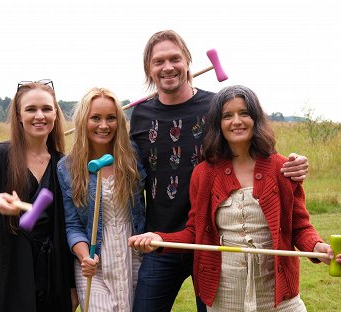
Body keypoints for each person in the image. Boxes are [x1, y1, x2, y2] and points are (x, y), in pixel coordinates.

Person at [129, 30, 310, 312]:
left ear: (187, 61)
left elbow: (251, 147)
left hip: (214, 237)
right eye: (158, 61)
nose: (168, 67)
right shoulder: (140, 115)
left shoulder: (217, 106)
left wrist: (292, 164)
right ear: (149, 70)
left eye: (175, 58)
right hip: (162, 237)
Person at [129, 85, 341, 311]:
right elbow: (196, 232)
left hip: (279, 298)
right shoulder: (204, 174)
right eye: (227, 115)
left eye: (244, 113)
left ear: (256, 119)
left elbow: (300, 227)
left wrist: (318, 247)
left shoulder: (282, 168)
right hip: (225, 298)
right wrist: (158, 239)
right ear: (217, 123)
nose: (237, 121)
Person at [0, 80, 78, 312]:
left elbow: (67, 226)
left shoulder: (62, 164)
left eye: (46, 109)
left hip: (52, 281)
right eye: (31, 109)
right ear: (19, 116)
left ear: (55, 115)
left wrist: (71, 286)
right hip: (9, 277)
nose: (39, 115)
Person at [57, 87, 146, 311]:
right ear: (83, 120)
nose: (104, 125)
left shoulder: (132, 156)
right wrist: (85, 256)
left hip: (134, 254)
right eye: (95, 118)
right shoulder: (67, 167)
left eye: (111, 118)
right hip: (94, 262)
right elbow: (72, 224)